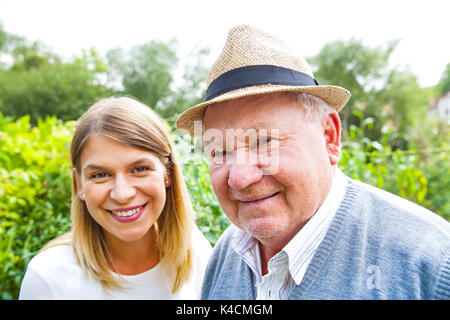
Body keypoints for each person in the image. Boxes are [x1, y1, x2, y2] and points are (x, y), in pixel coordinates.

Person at [176, 25, 450, 299]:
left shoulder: (429, 264)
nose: (239, 177)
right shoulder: (225, 254)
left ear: (329, 137)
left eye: (264, 141)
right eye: (220, 152)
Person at [19, 97, 212, 299]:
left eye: (140, 169)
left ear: (168, 173)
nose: (122, 194)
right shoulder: (47, 279)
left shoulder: (196, 252)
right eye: (100, 175)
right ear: (79, 184)